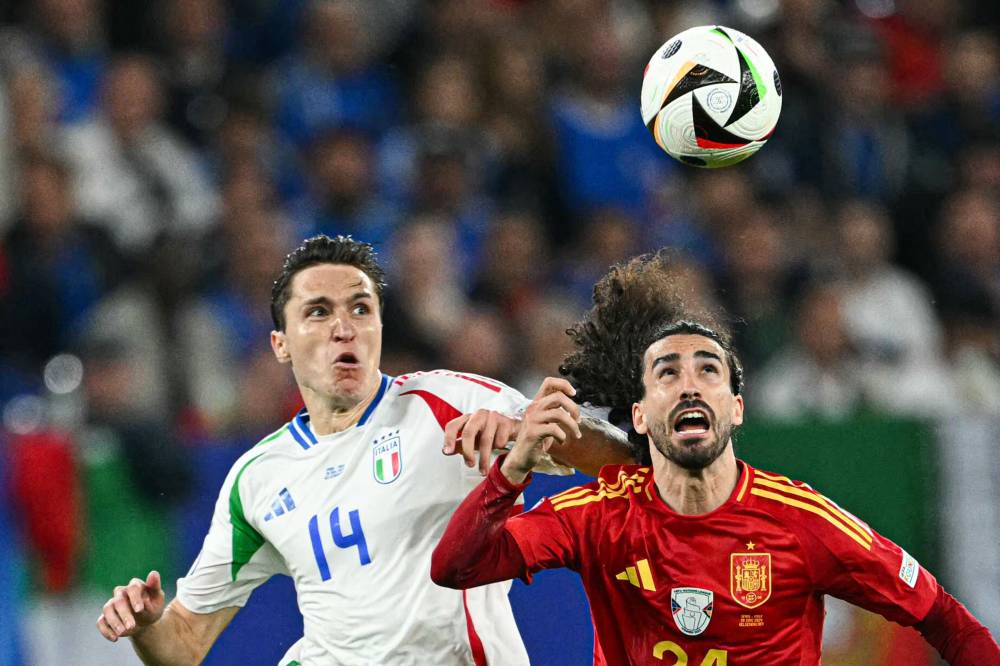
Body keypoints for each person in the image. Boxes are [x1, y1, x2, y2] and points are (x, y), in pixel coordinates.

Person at [431, 250, 1000, 665]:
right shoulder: (598, 515)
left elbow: (945, 619)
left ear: (736, 409)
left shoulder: (802, 523)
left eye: (708, 369)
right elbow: (455, 567)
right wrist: (512, 471)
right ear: (639, 414)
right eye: (667, 373)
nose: (689, 385)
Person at [95, 235, 633, 665]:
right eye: (319, 312)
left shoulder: (454, 401)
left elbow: (621, 464)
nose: (343, 328)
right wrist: (146, 628)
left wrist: (530, 434)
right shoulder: (257, 477)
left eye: (360, 308)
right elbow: (184, 643)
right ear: (281, 344)